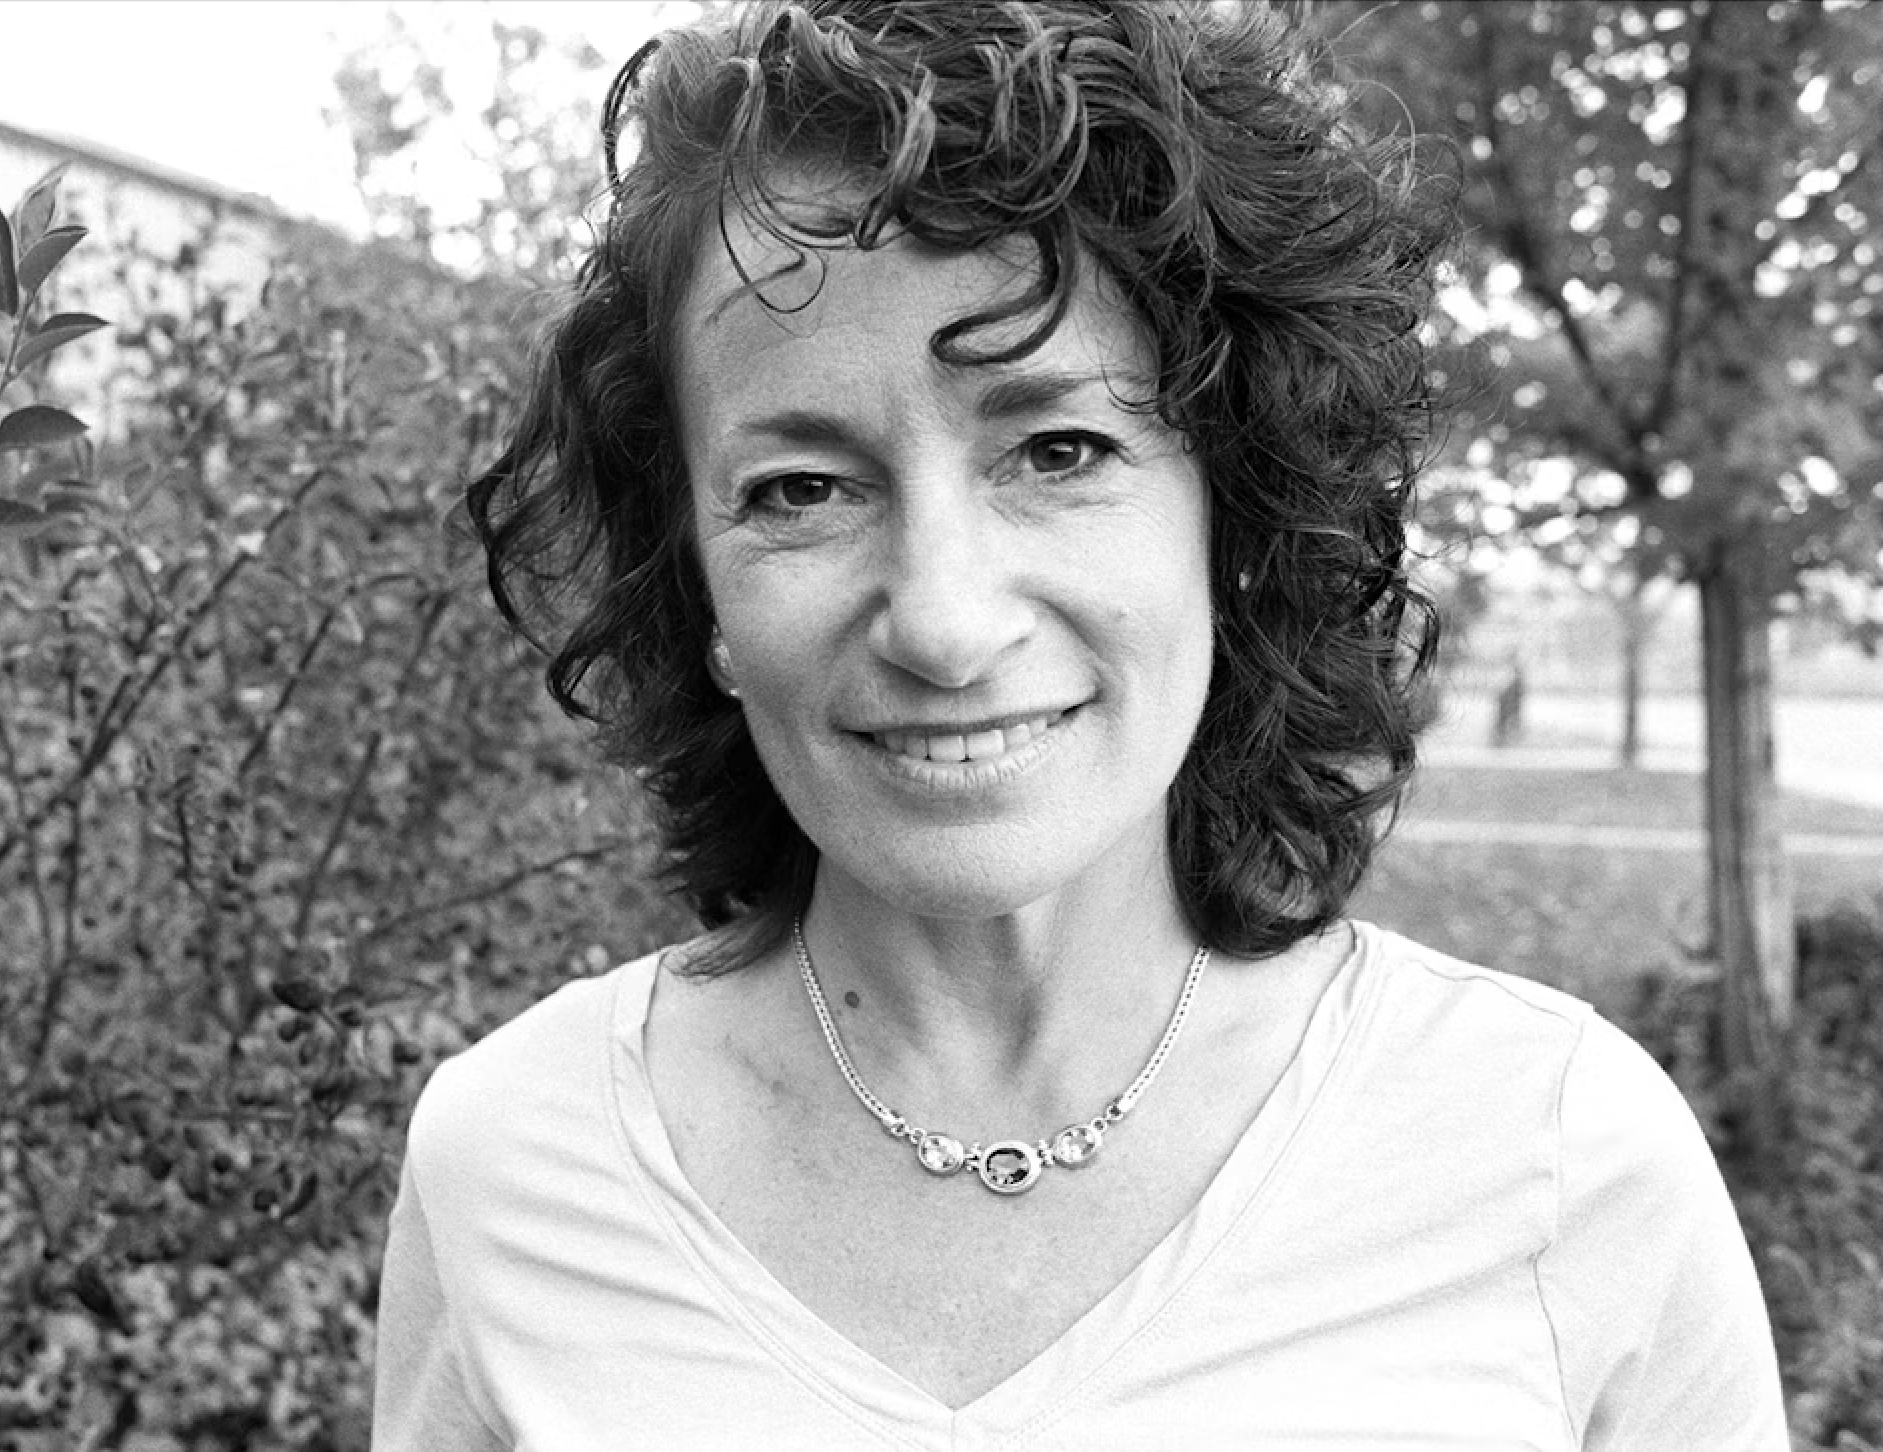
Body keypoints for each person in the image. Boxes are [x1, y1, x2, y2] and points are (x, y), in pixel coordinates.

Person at [374, 2, 1787, 1446]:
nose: (943, 623)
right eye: (800, 488)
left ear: (1235, 521)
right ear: (700, 590)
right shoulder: (516, 1171)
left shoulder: (1559, 1167)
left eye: (1060, 449)